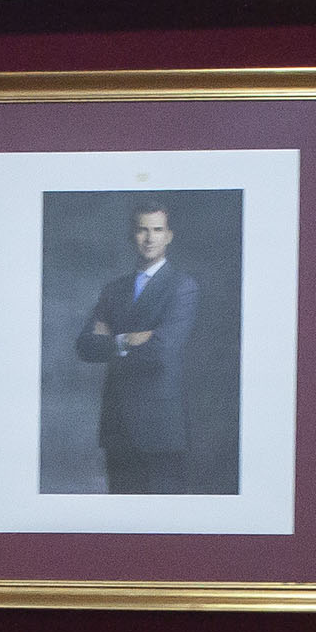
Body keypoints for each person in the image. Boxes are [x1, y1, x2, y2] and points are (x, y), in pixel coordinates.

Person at [75, 203, 198, 494]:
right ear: (132, 235)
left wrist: (111, 341)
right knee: (120, 512)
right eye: (143, 230)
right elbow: (86, 346)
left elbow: (163, 351)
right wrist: (127, 340)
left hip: (160, 428)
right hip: (117, 426)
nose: (149, 238)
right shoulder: (114, 289)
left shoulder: (182, 286)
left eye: (157, 230)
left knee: (162, 514)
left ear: (169, 236)